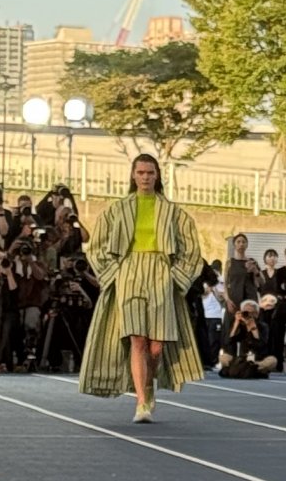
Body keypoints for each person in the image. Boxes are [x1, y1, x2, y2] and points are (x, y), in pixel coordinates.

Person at [77, 155, 206, 422]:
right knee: (136, 338)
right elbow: (97, 245)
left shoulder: (173, 212)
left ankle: (148, 387)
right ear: (133, 175)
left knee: (156, 345)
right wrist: (114, 273)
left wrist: (176, 276)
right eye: (141, 172)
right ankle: (141, 402)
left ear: (157, 175)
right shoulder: (117, 210)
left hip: (161, 272)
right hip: (129, 272)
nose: (145, 177)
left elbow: (192, 248)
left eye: (150, 172)